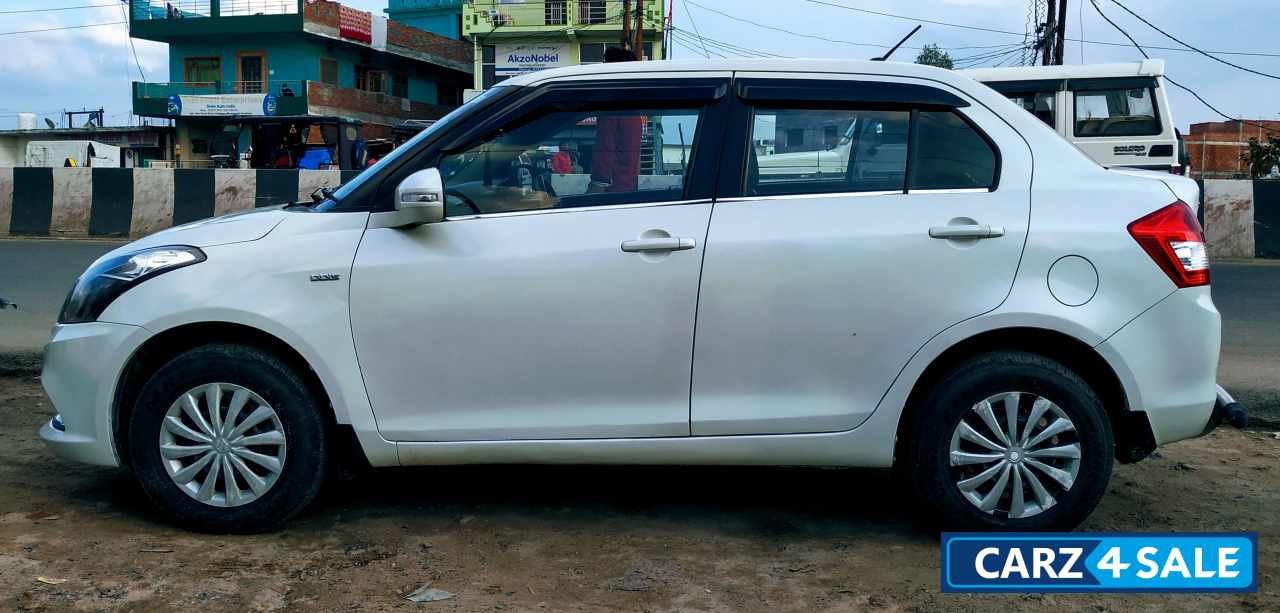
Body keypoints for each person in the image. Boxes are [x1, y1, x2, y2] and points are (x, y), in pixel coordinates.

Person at [589, 47, 644, 193]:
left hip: (608, 192)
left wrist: (596, 188)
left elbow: (605, 149)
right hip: (626, 189)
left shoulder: (611, 108)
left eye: (605, 65)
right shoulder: (633, 112)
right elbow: (636, 160)